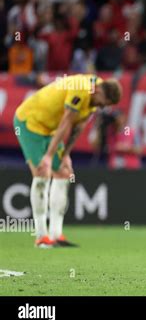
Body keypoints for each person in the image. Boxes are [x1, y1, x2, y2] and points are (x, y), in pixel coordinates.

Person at [14, 74, 122, 248]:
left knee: (64, 172)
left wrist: (65, 155)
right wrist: (49, 156)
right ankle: (41, 236)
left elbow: (78, 127)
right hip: (30, 123)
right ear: (100, 90)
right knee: (43, 172)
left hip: (49, 129)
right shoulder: (82, 88)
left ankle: (56, 235)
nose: (101, 106)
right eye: (103, 102)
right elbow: (66, 121)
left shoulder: (94, 98)